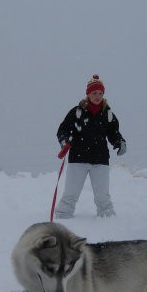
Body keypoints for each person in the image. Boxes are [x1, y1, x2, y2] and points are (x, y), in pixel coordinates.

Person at [55, 74, 127, 218]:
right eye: (94, 93)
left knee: (103, 197)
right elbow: (62, 130)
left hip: (100, 160)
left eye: (100, 93)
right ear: (88, 94)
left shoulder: (108, 114)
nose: (97, 96)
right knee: (70, 193)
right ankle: (63, 217)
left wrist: (119, 142)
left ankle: (107, 219)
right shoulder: (77, 112)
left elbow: (114, 133)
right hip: (78, 159)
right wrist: (64, 141)